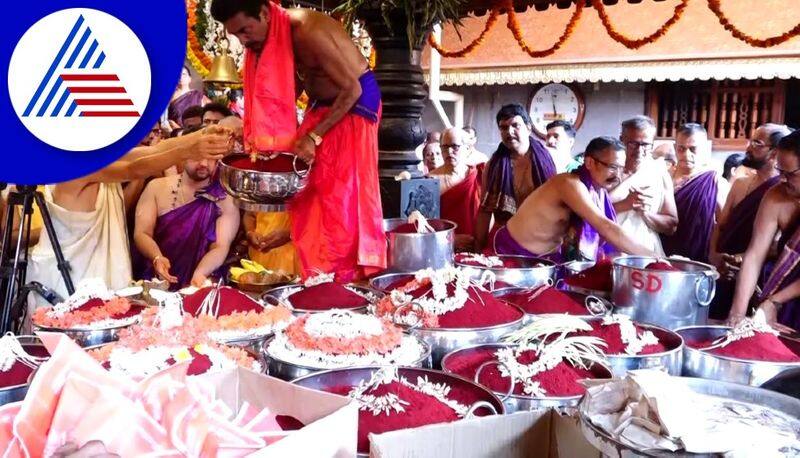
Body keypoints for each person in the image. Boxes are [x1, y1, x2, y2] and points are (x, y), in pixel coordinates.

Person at [212, 0, 386, 281]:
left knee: (337, 197)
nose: (243, 41)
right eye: (236, 36)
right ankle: (315, 274)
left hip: (354, 106)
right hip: (321, 105)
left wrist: (314, 136)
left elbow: (352, 89)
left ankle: (344, 278)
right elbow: (289, 90)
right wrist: (253, 129)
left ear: (266, 13)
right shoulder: (274, 36)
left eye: (246, 30)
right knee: (306, 188)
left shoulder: (307, 31)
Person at [26, 127, 233, 312]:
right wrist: (187, 150)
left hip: (93, 291)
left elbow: (154, 151)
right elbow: (133, 168)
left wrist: (201, 137)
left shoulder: (99, 158)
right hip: (64, 291)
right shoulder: (75, 168)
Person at [494, 137, 654, 261]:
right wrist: (657, 258)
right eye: (612, 167)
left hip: (546, 261)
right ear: (590, 162)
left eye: (621, 169)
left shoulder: (597, 190)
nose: (618, 175)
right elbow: (606, 228)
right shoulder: (569, 184)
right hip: (512, 256)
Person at [132, 128, 240, 290]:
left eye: (211, 158)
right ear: (184, 156)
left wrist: (200, 273)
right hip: (156, 281)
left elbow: (220, 246)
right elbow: (142, 233)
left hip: (200, 285)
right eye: (198, 157)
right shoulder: (156, 187)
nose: (204, 163)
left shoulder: (225, 198)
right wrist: (157, 257)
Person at [708, 124, 792, 319]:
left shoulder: (783, 192)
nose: (748, 147)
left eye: (757, 143)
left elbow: (778, 245)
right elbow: (721, 225)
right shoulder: (740, 184)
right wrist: (715, 255)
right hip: (724, 271)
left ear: (774, 152)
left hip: (759, 277)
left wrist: (738, 259)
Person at [728, 130, 800, 331]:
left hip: (784, 296)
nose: (782, 179)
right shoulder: (775, 196)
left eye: (789, 174)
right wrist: (736, 316)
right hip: (783, 298)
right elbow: (754, 255)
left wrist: (774, 301)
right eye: (780, 171)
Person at [474, 104, 557, 252]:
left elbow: (560, 203)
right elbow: (484, 211)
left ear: (528, 128)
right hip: (504, 239)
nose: (509, 132)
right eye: (504, 128)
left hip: (541, 239)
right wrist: (478, 249)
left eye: (515, 125)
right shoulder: (493, 166)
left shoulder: (549, 159)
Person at [609, 116, 678, 256]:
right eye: (633, 144)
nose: (639, 151)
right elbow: (588, 215)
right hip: (608, 249)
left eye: (645, 145)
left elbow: (671, 226)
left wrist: (645, 213)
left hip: (645, 253)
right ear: (621, 139)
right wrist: (625, 204)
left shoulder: (658, 173)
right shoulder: (607, 169)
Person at [661, 123, 729, 263]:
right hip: (663, 253)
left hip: (699, 259)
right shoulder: (663, 177)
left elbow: (724, 225)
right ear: (675, 148)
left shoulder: (714, 182)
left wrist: (715, 254)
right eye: (681, 148)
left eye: (693, 149)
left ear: (705, 148)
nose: (687, 154)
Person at [429, 127, 482, 251]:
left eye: (455, 146)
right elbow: (423, 225)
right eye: (444, 147)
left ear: (467, 148)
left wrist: (479, 240)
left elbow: (490, 215)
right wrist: (450, 239)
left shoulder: (479, 175)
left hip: (477, 246)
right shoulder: (429, 180)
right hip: (441, 249)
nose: (449, 151)